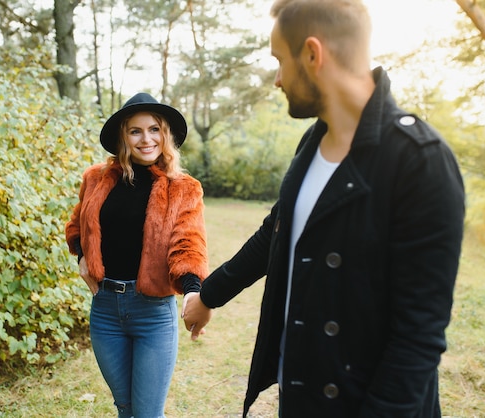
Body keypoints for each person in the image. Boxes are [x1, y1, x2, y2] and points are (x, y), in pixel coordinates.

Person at [181, 0, 465, 417]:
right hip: (302, 394)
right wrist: (209, 295)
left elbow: (418, 337)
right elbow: (276, 233)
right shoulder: (312, 143)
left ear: (313, 54)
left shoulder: (420, 160)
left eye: (280, 61)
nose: (277, 79)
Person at [65, 92, 208, 418]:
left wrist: (192, 290)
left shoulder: (182, 187)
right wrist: (82, 256)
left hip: (153, 313)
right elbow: (77, 227)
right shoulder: (96, 179)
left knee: (146, 413)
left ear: (166, 135)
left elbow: (188, 243)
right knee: (125, 407)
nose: (147, 139)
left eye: (155, 129)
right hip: (105, 311)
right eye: (136, 131)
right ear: (123, 137)